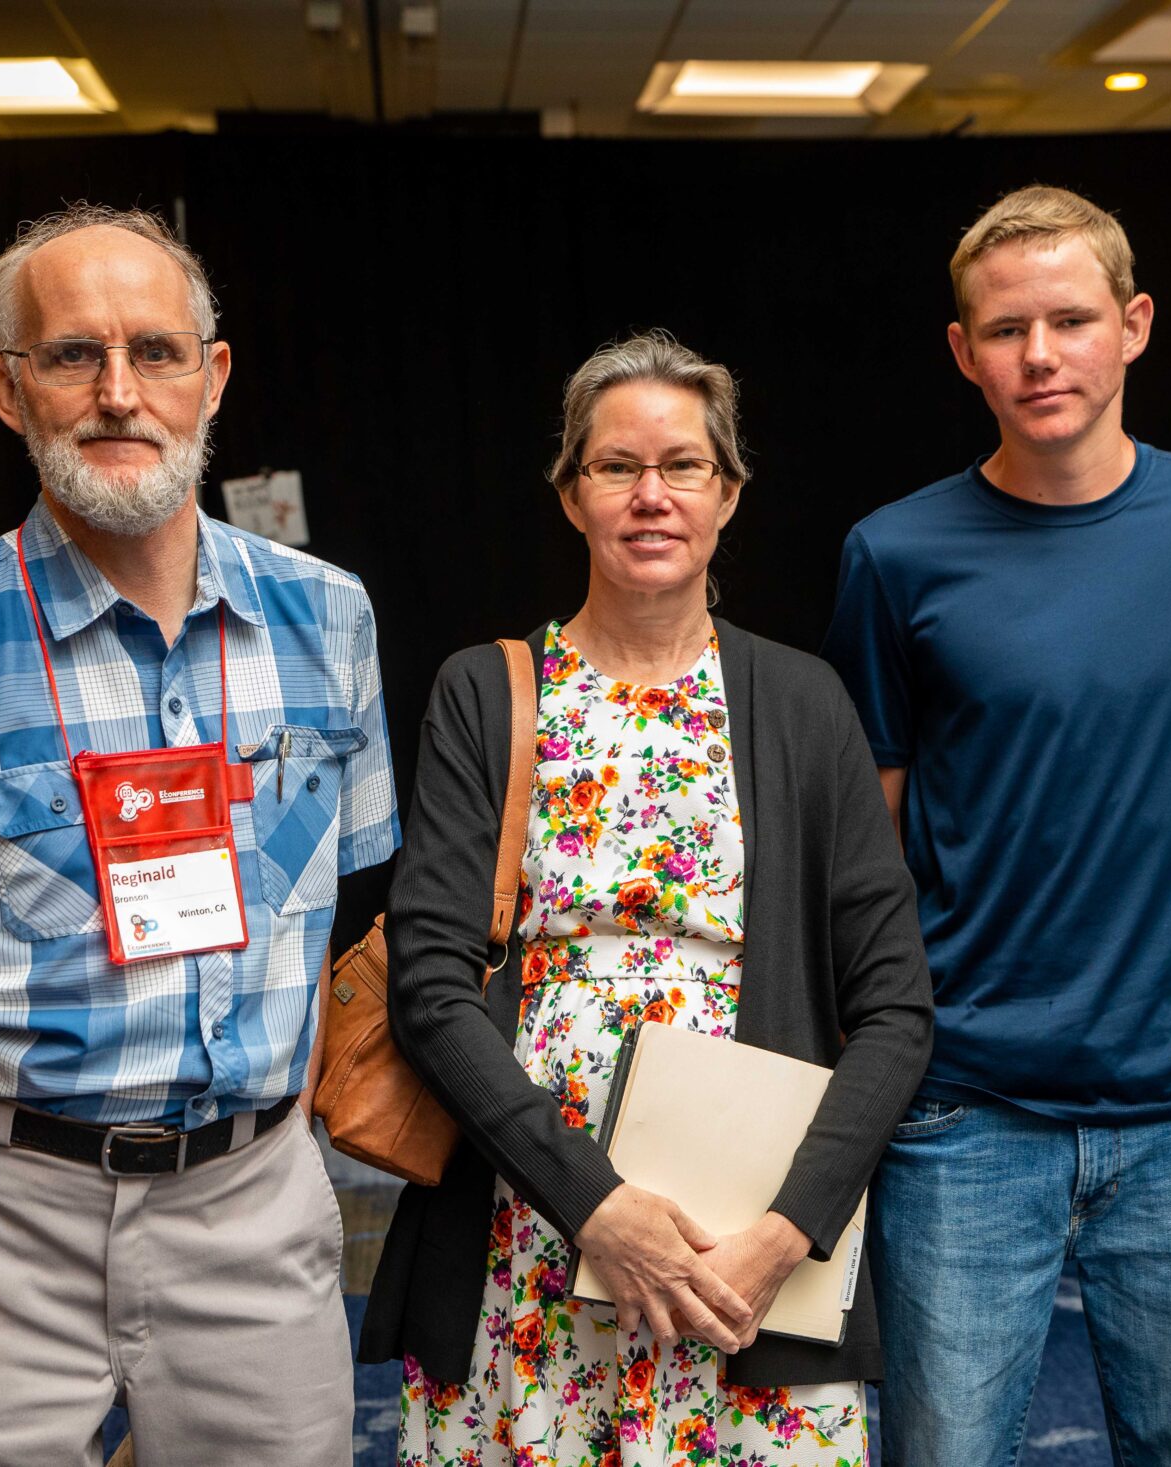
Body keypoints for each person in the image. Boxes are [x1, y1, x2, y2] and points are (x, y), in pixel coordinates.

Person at [0, 203, 397, 1467]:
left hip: (253, 1217)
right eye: (72, 357)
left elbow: (352, 904)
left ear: (212, 377)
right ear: (6, 390)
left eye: (157, 352)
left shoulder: (330, 621)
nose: (120, 393)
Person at [359, 330, 934, 1465]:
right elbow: (428, 988)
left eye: (683, 466)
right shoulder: (487, 691)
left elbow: (897, 1009)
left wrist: (787, 1235)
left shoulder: (803, 701)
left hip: (747, 1263)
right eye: (616, 466)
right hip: (525, 1230)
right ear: (571, 495)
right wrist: (594, 1207)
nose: (650, 495)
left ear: (729, 494)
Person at [820, 184, 1171, 1465]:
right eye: (1004, 329)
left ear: (1133, 325)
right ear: (961, 351)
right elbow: (869, 839)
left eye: (1072, 320)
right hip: (965, 1112)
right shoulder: (894, 553)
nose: (1040, 355)